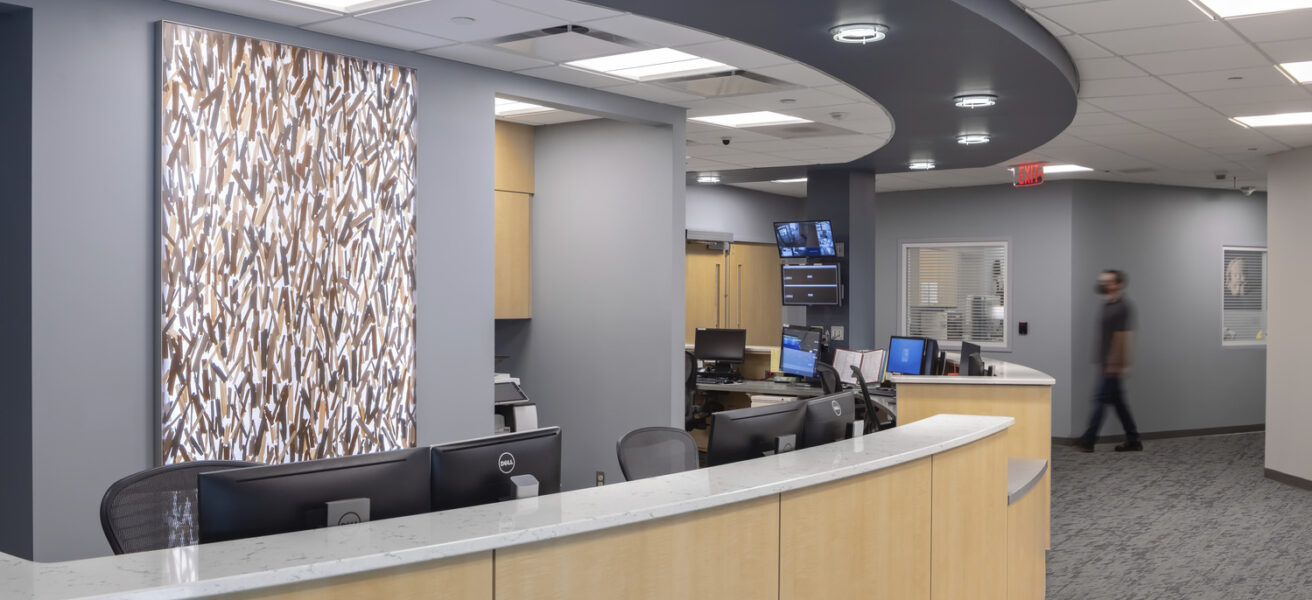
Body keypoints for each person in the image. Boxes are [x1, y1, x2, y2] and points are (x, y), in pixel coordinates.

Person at [1076, 269, 1142, 452]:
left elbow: (1124, 336)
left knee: (1100, 399)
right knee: (1118, 402)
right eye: (1102, 280)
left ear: (1117, 284)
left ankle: (1088, 440)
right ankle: (1133, 438)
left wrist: (1119, 363)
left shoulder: (1122, 307)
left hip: (1112, 362)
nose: (1103, 284)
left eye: (1107, 281)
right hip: (1105, 361)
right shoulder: (1106, 304)